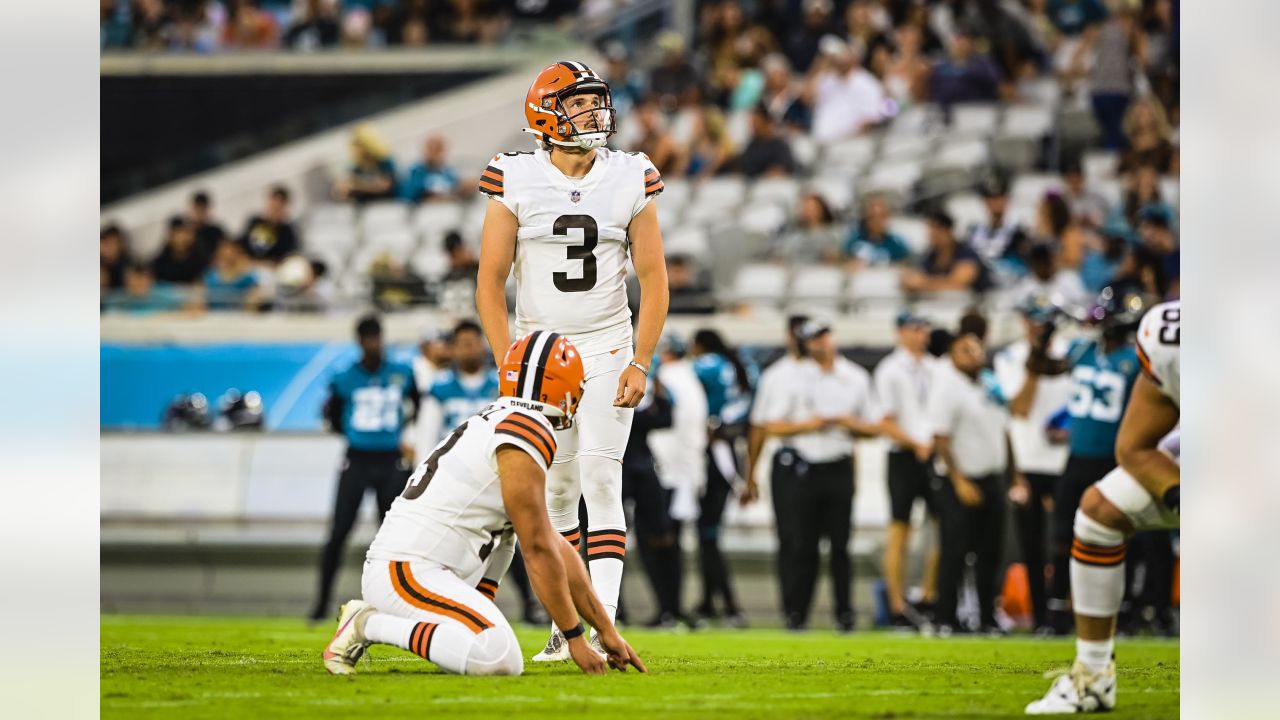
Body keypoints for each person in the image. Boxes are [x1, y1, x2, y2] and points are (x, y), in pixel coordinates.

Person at [473, 61, 670, 661]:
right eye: (579, 104)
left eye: (595, 103)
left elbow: (655, 275)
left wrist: (641, 358)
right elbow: (489, 280)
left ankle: (605, 619)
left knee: (603, 477)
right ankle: (569, 628)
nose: (594, 114)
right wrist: (508, 358)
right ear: (546, 114)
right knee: (555, 497)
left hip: (608, 343)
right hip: (539, 354)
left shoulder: (630, 173)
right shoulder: (515, 175)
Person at [322, 331, 648, 677]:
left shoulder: (506, 418)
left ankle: (466, 610)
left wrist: (606, 630)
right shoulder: (525, 430)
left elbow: (555, 547)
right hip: (408, 571)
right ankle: (368, 625)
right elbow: (538, 549)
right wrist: (575, 637)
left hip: (424, 569)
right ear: (561, 385)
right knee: (499, 657)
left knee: (509, 536)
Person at [1026, 301, 1179, 713]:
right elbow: (1134, 446)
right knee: (1097, 513)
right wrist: (1179, 495)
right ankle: (1093, 676)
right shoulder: (1167, 335)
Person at [1024, 285, 1150, 635]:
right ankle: (1056, 611)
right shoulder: (1083, 350)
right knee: (1063, 538)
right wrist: (1041, 340)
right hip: (1077, 460)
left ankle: (1123, 612)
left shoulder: (1134, 359)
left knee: (1122, 538)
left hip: (1115, 460)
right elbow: (1042, 366)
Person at [763, 319, 881, 632]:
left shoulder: (855, 377)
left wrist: (846, 422)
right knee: (804, 545)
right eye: (813, 340)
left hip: (839, 465)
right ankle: (797, 613)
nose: (820, 344)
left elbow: (874, 426)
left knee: (841, 546)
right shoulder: (793, 378)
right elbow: (773, 425)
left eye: (823, 337)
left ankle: (845, 613)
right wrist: (809, 425)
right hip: (806, 467)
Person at [310, 315, 420, 622]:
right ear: (359, 341)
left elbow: (419, 407)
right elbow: (332, 415)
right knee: (339, 532)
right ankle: (321, 603)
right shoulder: (344, 377)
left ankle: (401, 601)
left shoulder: (401, 372)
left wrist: (405, 436)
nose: (373, 343)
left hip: (390, 460)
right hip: (357, 458)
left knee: (395, 536)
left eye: (376, 337)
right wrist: (353, 434)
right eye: (368, 338)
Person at [995, 297, 1076, 632]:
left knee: (1067, 541)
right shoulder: (1011, 357)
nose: (1036, 325)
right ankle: (1041, 617)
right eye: (1030, 318)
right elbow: (1021, 406)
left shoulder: (1073, 352)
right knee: (1031, 544)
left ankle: (1064, 611)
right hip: (1028, 461)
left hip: (1066, 458)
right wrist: (1036, 358)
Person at [927, 331, 1010, 635]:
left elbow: (1005, 430)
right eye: (966, 350)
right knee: (955, 551)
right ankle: (945, 617)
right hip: (959, 481)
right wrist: (959, 481)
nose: (975, 355)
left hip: (992, 478)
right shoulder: (948, 387)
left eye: (977, 349)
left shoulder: (989, 384)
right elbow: (940, 439)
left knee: (991, 553)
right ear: (952, 356)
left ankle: (987, 617)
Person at [873, 311, 938, 630]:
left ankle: (928, 595)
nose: (920, 334)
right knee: (900, 529)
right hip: (904, 455)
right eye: (914, 329)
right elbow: (886, 421)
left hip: (934, 455)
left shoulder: (934, 367)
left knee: (944, 528)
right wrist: (916, 444)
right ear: (900, 332)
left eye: (923, 328)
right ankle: (898, 605)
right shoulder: (890, 370)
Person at [744, 315, 809, 620]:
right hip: (788, 461)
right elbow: (759, 427)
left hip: (828, 463)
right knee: (790, 540)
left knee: (828, 542)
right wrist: (751, 474)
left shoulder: (832, 372)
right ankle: (792, 611)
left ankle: (840, 612)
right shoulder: (776, 375)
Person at [689, 329, 755, 626]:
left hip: (715, 450)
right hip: (733, 448)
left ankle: (728, 604)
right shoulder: (741, 365)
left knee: (708, 533)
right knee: (708, 532)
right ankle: (709, 601)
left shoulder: (708, 364)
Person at [646, 334, 708, 624]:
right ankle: (673, 607)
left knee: (656, 542)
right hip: (685, 470)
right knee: (671, 542)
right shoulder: (692, 380)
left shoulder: (668, 379)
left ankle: (667, 608)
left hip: (666, 471)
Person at [621, 370, 681, 627]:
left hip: (639, 467)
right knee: (604, 538)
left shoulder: (642, 371)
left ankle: (668, 608)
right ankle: (612, 610)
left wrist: (659, 395)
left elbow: (665, 419)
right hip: (617, 467)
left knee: (659, 538)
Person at [414, 320, 499, 455]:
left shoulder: (500, 385)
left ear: (483, 346)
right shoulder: (440, 386)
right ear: (453, 349)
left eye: (473, 342)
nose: (469, 348)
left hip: (489, 461)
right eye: (464, 344)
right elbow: (428, 434)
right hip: (451, 463)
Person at [901, 210, 991, 294]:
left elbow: (959, 283)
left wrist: (924, 283)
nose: (933, 234)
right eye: (931, 230)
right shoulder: (930, 256)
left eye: (938, 230)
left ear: (949, 231)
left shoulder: (966, 253)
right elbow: (916, 277)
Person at [333, 124, 398, 203]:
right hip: (367, 206)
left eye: (359, 144)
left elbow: (385, 186)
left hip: (389, 203)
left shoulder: (384, 161)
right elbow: (342, 189)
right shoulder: (357, 166)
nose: (357, 149)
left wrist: (357, 185)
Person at [843, 193, 911, 267]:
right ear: (865, 217)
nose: (877, 221)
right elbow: (842, 263)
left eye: (881, 216)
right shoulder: (853, 241)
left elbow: (906, 265)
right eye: (872, 216)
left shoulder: (897, 244)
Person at [239, 185, 300, 266]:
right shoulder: (254, 221)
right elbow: (241, 245)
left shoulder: (287, 232)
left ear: (285, 208)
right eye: (271, 206)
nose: (273, 210)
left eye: (277, 208)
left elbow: (284, 259)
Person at [200, 237, 264, 311]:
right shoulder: (210, 276)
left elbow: (254, 303)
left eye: (229, 249)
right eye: (222, 249)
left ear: (238, 252)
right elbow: (200, 300)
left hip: (239, 317)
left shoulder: (248, 277)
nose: (225, 253)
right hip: (213, 317)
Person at [739, 103, 797, 179]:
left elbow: (781, 171)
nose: (752, 126)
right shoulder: (751, 146)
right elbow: (745, 170)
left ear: (766, 122)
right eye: (751, 122)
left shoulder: (780, 146)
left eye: (755, 122)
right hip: (753, 187)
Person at [401, 135, 461, 203]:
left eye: (438, 148)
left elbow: (456, 190)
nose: (434, 153)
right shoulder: (415, 172)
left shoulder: (450, 173)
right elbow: (407, 195)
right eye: (431, 148)